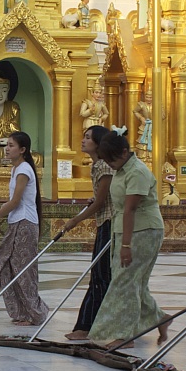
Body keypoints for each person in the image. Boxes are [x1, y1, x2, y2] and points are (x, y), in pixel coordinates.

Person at [88, 132, 169, 348]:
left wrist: (126, 245)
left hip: (143, 231)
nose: (110, 165)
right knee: (131, 281)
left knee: (125, 282)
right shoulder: (121, 170)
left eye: (112, 160)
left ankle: (125, 336)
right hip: (124, 230)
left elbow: (130, 209)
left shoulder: (137, 172)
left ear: (124, 152)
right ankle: (159, 318)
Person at [0, 131, 48, 326]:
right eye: (7, 145)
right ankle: (22, 310)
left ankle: (35, 313)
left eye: (11, 145)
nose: (7, 149)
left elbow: (15, 201)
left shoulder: (23, 170)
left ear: (22, 150)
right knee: (3, 263)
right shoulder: (16, 169)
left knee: (24, 270)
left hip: (25, 223)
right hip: (17, 222)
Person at [58, 126, 115, 340]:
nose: (83, 140)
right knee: (98, 276)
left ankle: (89, 326)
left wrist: (74, 220)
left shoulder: (104, 166)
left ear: (99, 144)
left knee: (101, 276)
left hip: (110, 224)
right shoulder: (97, 166)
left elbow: (101, 202)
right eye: (84, 136)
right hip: (104, 223)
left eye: (88, 138)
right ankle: (88, 325)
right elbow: (101, 197)